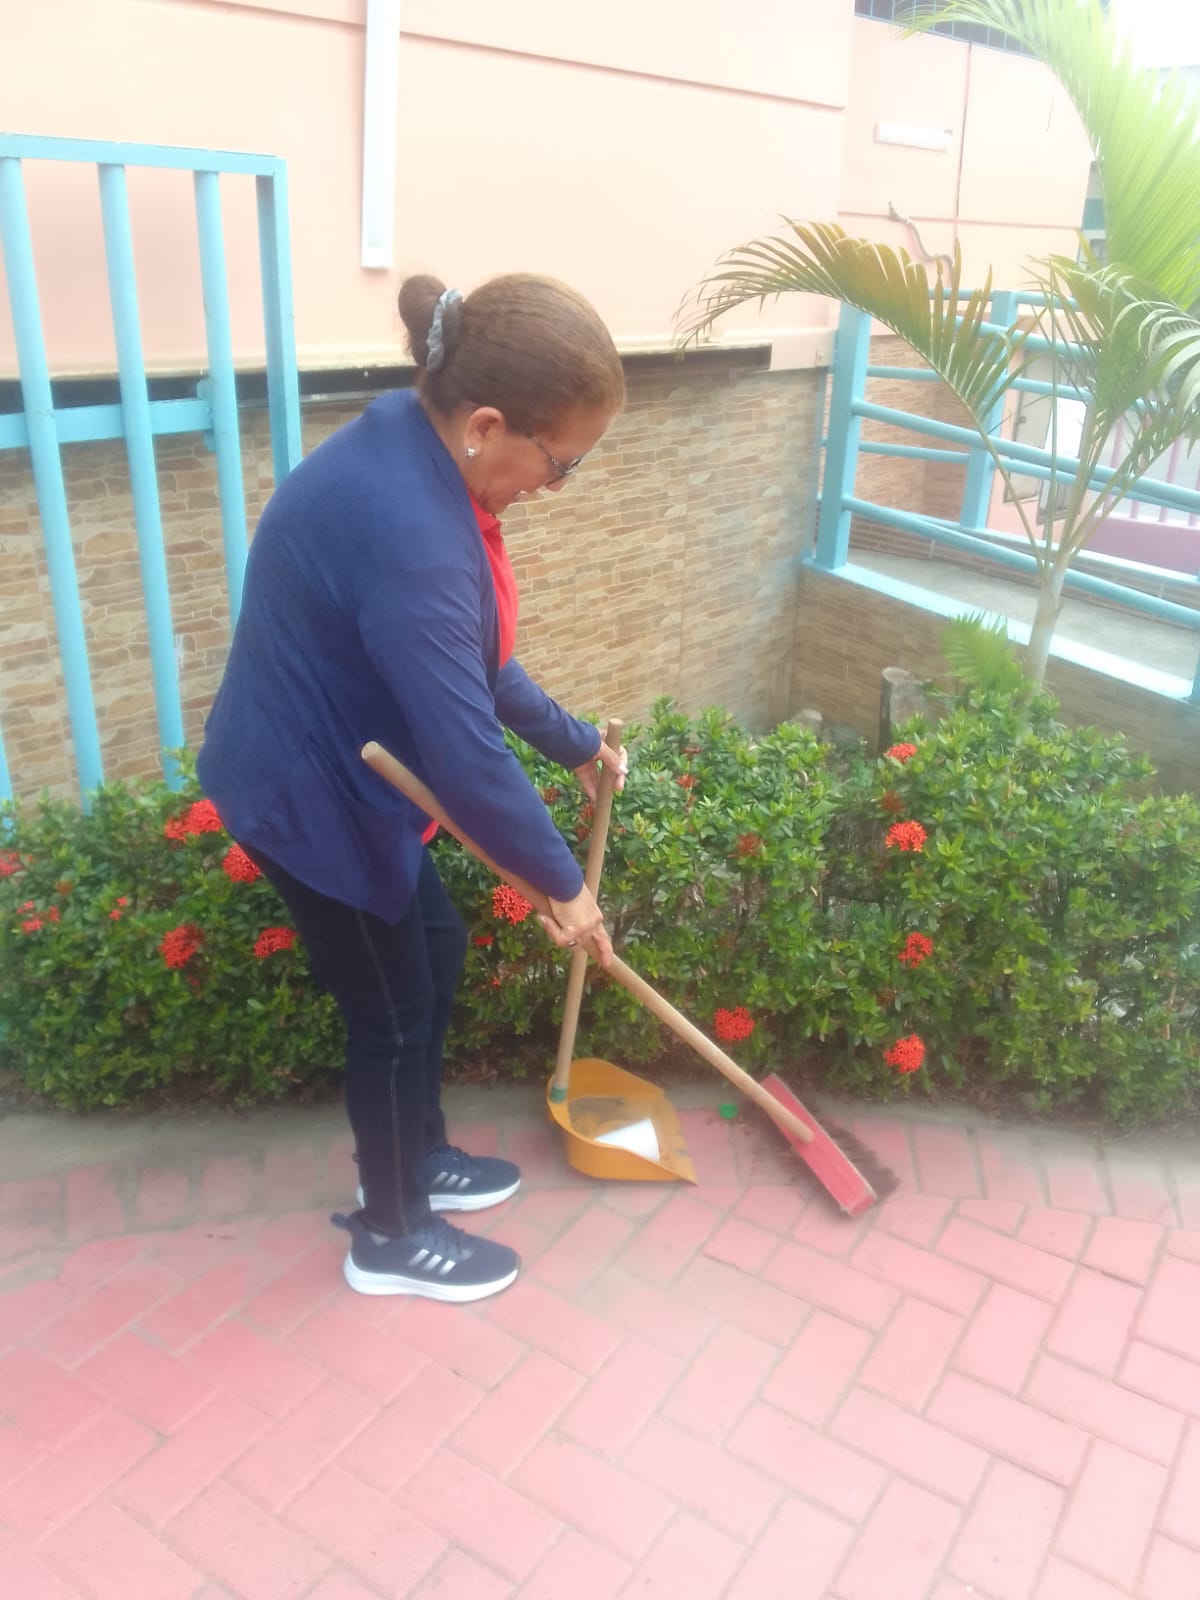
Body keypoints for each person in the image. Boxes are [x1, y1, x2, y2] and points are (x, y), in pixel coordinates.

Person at [197, 272, 627, 1303]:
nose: (555, 485)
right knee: (387, 1016)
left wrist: (573, 744)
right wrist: (563, 886)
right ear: (486, 426)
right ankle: (388, 1233)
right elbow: (464, 748)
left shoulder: (415, 448)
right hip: (309, 796)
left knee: (433, 950)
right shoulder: (412, 528)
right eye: (560, 462)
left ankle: (417, 1155)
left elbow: (469, 659)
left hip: (346, 768)